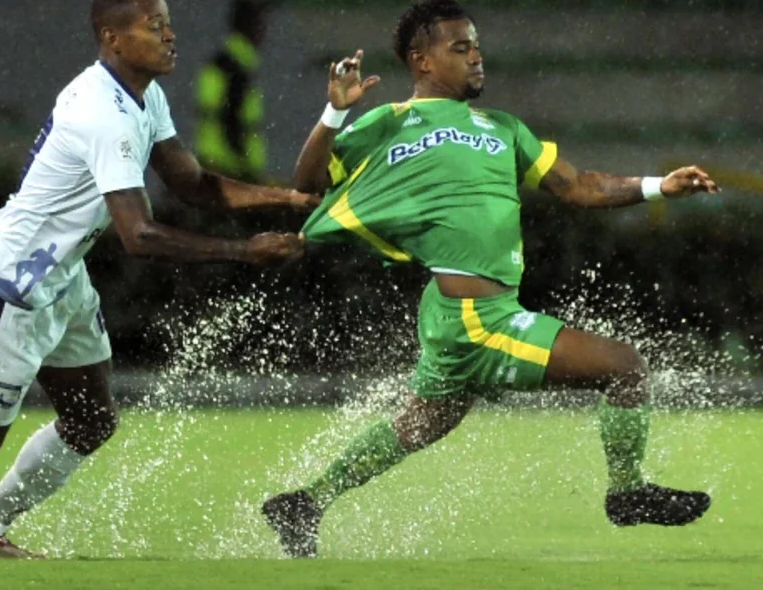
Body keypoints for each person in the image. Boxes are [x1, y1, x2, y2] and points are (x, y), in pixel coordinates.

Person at [0, 0, 311, 558]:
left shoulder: (144, 95)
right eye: (154, 25)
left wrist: (284, 197)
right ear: (113, 38)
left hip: (61, 277)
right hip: (9, 282)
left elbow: (191, 183)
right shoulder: (102, 112)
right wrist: (244, 251)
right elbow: (140, 236)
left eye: (168, 21)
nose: (170, 34)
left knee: (90, 420)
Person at [261, 0, 719, 559]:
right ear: (421, 61)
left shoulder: (504, 128)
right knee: (625, 368)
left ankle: (306, 501)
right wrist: (334, 115)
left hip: (461, 311)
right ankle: (625, 492)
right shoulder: (389, 122)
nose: (476, 57)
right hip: (477, 315)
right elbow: (307, 186)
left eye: (476, 46)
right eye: (460, 48)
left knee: (426, 421)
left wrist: (656, 186)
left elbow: (578, 187)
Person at [194, 0, 272, 183]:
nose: (264, 31)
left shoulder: (221, 63)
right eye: (259, 23)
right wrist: (248, 172)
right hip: (228, 170)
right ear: (249, 27)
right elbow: (232, 122)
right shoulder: (237, 70)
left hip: (213, 164)